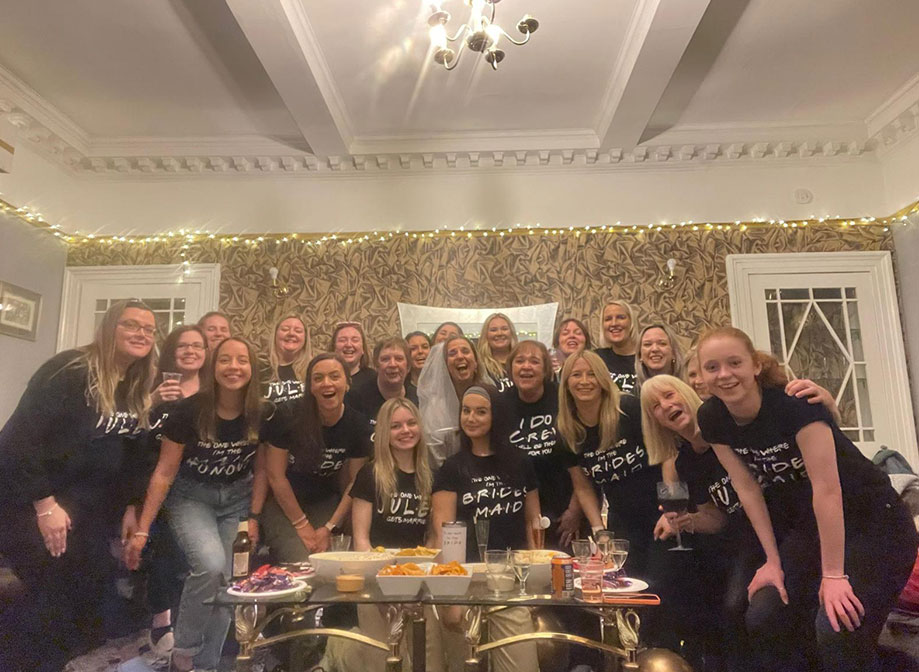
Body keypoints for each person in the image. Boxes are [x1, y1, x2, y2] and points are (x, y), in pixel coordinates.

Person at [696, 326, 918, 672]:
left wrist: (833, 576)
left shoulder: (794, 405)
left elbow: (827, 490)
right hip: (815, 530)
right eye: (712, 367)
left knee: (837, 627)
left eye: (734, 363)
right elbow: (747, 488)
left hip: (876, 524)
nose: (724, 374)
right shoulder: (712, 418)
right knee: (765, 615)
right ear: (701, 376)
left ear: (754, 366)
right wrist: (772, 561)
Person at [0, 300, 156, 672]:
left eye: (149, 329)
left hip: (83, 509)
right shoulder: (70, 370)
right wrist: (45, 506)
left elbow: (129, 456)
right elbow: (19, 440)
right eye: (131, 325)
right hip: (32, 502)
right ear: (108, 330)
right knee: (52, 600)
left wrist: (131, 507)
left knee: (93, 597)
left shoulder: (133, 383)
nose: (141, 334)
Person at [124, 336, 269, 672]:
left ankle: (206, 665)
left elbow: (262, 470)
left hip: (237, 500)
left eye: (242, 360)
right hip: (192, 498)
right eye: (225, 360)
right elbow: (164, 472)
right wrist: (143, 529)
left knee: (229, 582)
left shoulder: (263, 413)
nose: (234, 367)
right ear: (212, 367)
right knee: (210, 564)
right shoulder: (186, 411)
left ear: (252, 368)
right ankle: (184, 652)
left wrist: (255, 517)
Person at [430, 385, 541, 672]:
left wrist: (535, 586)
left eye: (481, 411)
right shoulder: (451, 468)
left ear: (497, 416)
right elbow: (444, 533)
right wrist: (450, 596)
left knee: (523, 666)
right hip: (466, 581)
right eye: (466, 411)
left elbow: (533, 524)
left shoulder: (521, 462)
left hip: (511, 581)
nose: (471, 418)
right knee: (463, 666)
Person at [134, 324, 208, 658]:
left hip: (203, 481)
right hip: (162, 479)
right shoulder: (154, 386)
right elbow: (134, 435)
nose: (190, 351)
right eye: (183, 346)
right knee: (166, 547)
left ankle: (193, 620)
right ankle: (161, 618)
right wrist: (152, 402)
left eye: (197, 346)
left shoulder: (213, 389)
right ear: (171, 352)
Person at [556, 350, 659, 576]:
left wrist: (672, 508)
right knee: (628, 584)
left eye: (591, 374)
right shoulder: (566, 431)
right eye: (576, 375)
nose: (584, 381)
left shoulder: (629, 408)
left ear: (602, 378)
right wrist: (599, 530)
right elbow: (582, 486)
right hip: (621, 521)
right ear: (565, 383)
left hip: (658, 512)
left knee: (661, 584)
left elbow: (665, 452)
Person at [261, 353, 372, 559]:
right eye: (318, 378)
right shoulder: (287, 416)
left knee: (330, 560)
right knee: (302, 559)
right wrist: (301, 525)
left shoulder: (357, 424)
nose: (326, 384)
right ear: (310, 387)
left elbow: (355, 482)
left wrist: (330, 526)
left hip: (326, 503)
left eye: (334, 376)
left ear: (347, 383)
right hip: (284, 503)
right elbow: (275, 476)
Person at [498, 340, 583, 549]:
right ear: (510, 369)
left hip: (565, 512)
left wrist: (575, 510)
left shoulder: (564, 399)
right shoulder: (499, 404)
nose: (526, 366)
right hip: (518, 515)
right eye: (519, 361)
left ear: (546, 369)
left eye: (534, 361)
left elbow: (583, 458)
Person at [351, 398, 432, 551]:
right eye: (395, 426)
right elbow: (361, 540)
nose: (406, 430)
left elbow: (433, 539)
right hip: (378, 567)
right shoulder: (369, 474)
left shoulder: (432, 477)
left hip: (418, 568)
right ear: (384, 432)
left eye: (412, 423)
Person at [418, 337, 484, 469]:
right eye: (452, 353)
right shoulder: (435, 409)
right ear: (445, 366)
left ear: (476, 362)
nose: (460, 356)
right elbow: (436, 462)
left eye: (465, 351)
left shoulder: (489, 396)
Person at [347, 337, 419, 425]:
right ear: (376, 365)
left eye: (399, 359)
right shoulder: (356, 399)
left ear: (408, 366)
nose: (392, 364)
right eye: (385, 359)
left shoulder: (418, 397)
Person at [594, 300, 640, 394]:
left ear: (631, 322)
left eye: (620, 317)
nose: (614, 323)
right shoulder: (596, 359)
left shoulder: (646, 356)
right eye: (608, 319)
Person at [265, 313, 309, 404]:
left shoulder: (314, 368)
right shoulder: (259, 366)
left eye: (298, 331)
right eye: (285, 329)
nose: (291, 333)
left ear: (305, 338)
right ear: (275, 335)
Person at [636, 323, 686, 389]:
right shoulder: (632, 397)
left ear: (674, 353)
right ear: (640, 355)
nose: (655, 349)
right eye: (648, 344)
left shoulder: (690, 388)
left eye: (662, 344)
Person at [477, 312, 518, 392]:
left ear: (511, 333)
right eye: (493, 330)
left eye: (504, 329)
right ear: (486, 335)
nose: (499, 333)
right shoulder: (479, 366)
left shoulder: (523, 363)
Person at [330, 321, 376, 391]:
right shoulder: (326, 378)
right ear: (334, 347)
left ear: (363, 348)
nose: (348, 344)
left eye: (355, 340)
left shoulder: (374, 379)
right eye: (342, 340)